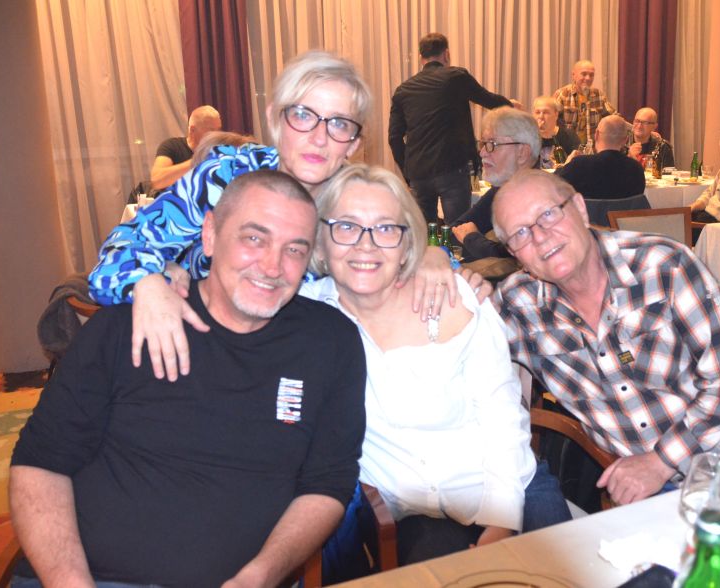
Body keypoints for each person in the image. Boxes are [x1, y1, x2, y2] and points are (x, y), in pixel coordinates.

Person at [10, 170, 368, 588]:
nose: (273, 266)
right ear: (210, 235)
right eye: (254, 238)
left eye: (294, 249)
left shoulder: (330, 342)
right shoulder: (126, 327)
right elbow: (40, 463)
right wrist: (70, 582)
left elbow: (328, 481)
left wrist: (260, 575)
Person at [89, 51, 458, 382]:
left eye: (339, 123)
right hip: (197, 356)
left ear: (354, 143)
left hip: (299, 372)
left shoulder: (357, 203)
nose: (319, 138)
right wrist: (146, 283)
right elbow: (119, 252)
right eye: (303, 115)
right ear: (275, 120)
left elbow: (410, 249)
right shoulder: (226, 177)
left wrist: (433, 255)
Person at [302, 164, 569, 565]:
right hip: (411, 516)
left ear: (407, 243)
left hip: (511, 483)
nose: (366, 245)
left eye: (386, 228)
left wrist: (501, 523)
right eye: (346, 226)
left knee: (569, 572)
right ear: (320, 241)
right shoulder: (306, 316)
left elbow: (501, 418)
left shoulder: (455, 297)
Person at [491, 169, 720, 506]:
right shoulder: (517, 308)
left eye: (548, 214)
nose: (540, 237)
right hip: (656, 494)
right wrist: (448, 277)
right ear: (514, 254)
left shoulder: (663, 265)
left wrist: (661, 462)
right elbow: (455, 346)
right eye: (520, 233)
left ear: (580, 208)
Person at [388, 32, 513, 225]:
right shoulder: (456, 77)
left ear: (421, 57)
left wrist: (408, 173)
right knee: (457, 229)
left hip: (419, 172)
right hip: (452, 169)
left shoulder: (403, 90)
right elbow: (488, 99)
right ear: (446, 54)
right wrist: (511, 106)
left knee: (424, 232)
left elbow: (394, 138)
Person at [451, 107, 539, 263]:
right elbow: (456, 231)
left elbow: (517, 258)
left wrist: (473, 239)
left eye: (492, 144)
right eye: (483, 144)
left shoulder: (540, 199)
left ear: (522, 153)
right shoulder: (502, 191)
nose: (482, 153)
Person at [557, 115, 645, 199]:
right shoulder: (636, 169)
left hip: (588, 210)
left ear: (596, 135)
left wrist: (566, 165)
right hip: (623, 210)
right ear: (625, 140)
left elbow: (554, 186)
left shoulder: (579, 165)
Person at [150, 105, 222, 190]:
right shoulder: (172, 146)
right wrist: (197, 161)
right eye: (211, 131)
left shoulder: (220, 150)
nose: (217, 135)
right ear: (192, 130)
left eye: (218, 129)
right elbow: (157, 180)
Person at [552, 59, 617, 147]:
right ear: (574, 75)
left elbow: (613, 118)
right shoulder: (562, 94)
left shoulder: (598, 95)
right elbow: (551, 119)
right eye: (584, 74)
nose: (588, 78)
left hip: (592, 149)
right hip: (568, 148)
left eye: (591, 75)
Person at [532, 95, 580, 168]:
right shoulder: (529, 137)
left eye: (546, 112)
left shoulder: (569, 136)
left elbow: (578, 164)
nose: (541, 116)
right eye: (537, 112)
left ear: (556, 115)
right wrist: (535, 135)